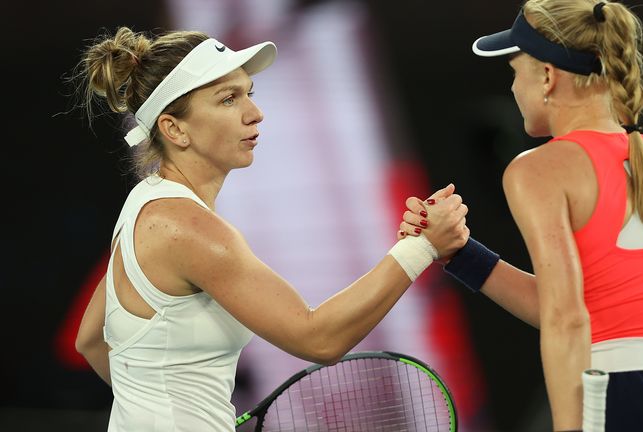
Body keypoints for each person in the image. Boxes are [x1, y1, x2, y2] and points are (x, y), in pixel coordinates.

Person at [72, 27, 469, 431]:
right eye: (228, 99)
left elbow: (91, 339)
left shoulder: (144, 207)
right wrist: (421, 247)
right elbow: (319, 339)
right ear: (174, 129)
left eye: (249, 93)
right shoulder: (188, 229)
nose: (254, 113)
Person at [400, 1, 643, 431]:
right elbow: (582, 308)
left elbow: (566, 319)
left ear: (548, 78)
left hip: (633, 399)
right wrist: (460, 254)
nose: (514, 88)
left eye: (515, 71)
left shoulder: (535, 169)